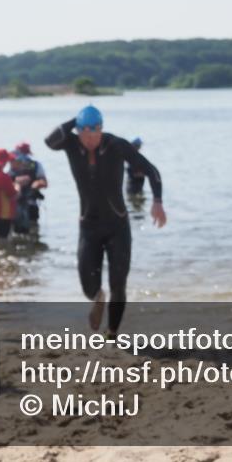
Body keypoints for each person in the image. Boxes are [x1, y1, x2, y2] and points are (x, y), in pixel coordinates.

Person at [45, 105, 166, 335]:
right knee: (87, 284)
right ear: (78, 132)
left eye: (96, 133)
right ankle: (98, 298)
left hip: (117, 225)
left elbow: (151, 170)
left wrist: (157, 201)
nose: (91, 140)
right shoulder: (71, 144)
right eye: (86, 135)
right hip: (88, 225)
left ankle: (112, 332)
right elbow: (50, 140)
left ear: (102, 129)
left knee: (118, 283)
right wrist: (76, 119)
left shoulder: (116, 145)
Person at [9, 143, 48, 233]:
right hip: (15, 205)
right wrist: (16, 183)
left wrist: (37, 183)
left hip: (31, 204)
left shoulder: (35, 165)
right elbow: (6, 182)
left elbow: (44, 183)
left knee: (33, 229)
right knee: (15, 229)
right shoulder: (13, 165)